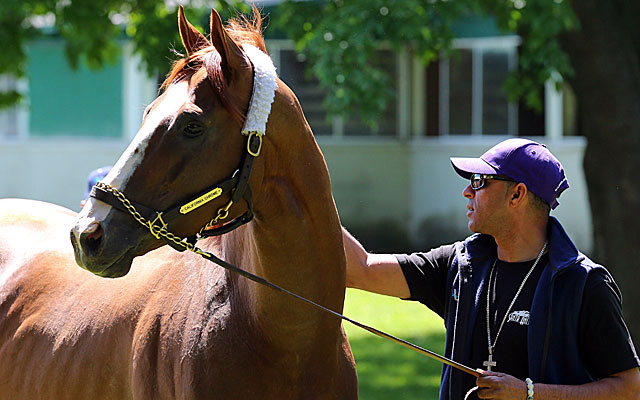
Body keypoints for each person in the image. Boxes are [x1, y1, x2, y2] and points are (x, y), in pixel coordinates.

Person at [343, 138, 640, 399]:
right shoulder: (459, 266)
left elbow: (629, 388)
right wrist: (305, 180)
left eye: (478, 181)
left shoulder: (584, 284)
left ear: (516, 195)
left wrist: (531, 394)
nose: (466, 192)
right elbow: (361, 269)